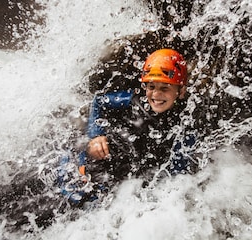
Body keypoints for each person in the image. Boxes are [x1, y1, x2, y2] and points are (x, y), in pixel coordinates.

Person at [60, 48, 199, 204]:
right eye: (151, 87)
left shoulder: (185, 123)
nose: (156, 95)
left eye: (165, 88)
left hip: (126, 179)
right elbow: (98, 101)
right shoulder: (133, 100)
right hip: (98, 159)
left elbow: (177, 172)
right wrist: (96, 136)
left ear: (181, 91)